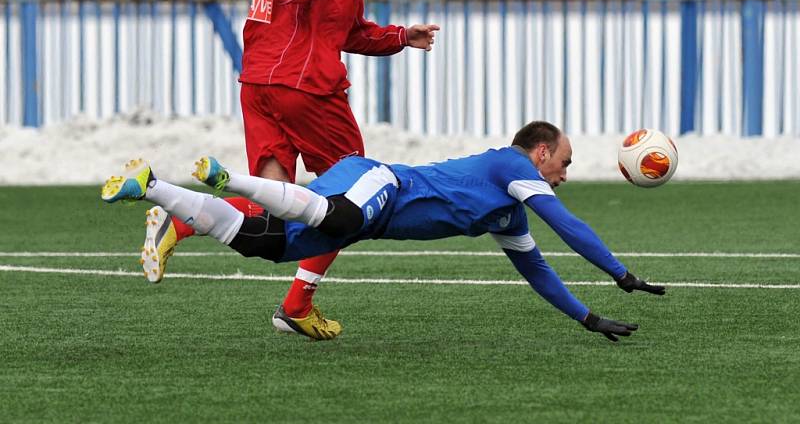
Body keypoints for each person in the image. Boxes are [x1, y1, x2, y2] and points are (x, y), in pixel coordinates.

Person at [139, 0, 439, 340]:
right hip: (303, 86)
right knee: (355, 198)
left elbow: (345, 31)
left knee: (276, 206)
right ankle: (297, 305)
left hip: (263, 82)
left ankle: (184, 219)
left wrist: (401, 36)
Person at [105, 121, 665, 342]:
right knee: (342, 221)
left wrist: (587, 317)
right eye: (562, 162)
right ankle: (232, 177)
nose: (564, 174)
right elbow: (567, 225)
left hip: (368, 209)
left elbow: (538, 269)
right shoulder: (513, 166)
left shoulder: (508, 213)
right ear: (540, 152)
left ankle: (150, 185)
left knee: (261, 246)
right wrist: (620, 274)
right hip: (380, 182)